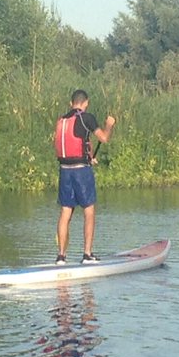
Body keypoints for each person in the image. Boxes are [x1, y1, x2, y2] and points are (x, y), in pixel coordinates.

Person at [54, 89, 116, 264]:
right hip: (81, 171)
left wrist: (89, 157)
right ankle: (87, 255)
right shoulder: (86, 117)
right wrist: (109, 124)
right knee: (89, 211)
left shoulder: (62, 120)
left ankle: (61, 256)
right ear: (85, 103)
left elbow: (67, 145)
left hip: (65, 170)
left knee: (66, 211)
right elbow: (103, 138)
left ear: (71, 103)